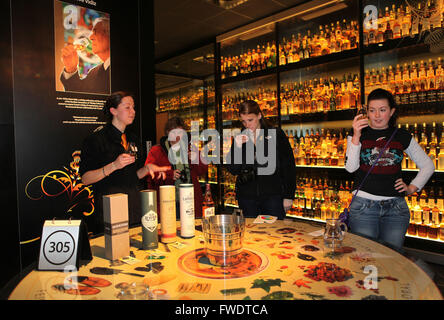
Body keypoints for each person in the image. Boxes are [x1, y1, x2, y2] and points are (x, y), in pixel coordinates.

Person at [345, 88, 435, 250]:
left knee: (393, 260)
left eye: (382, 110)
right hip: (364, 207)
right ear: (367, 112)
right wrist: (356, 135)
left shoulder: (401, 135)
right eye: (372, 110)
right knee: (366, 259)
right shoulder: (358, 134)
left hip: (396, 208)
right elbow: (351, 168)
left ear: (392, 111)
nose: (377, 115)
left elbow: (428, 165)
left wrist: (412, 188)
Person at [79, 91, 169, 234]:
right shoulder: (96, 139)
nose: (132, 111)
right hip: (111, 213)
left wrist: (147, 168)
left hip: (135, 211)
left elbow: (134, 175)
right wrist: (114, 165)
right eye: (127, 107)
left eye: (133, 107)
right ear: (113, 110)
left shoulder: (132, 139)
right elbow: (85, 179)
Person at [225, 100, 296, 219]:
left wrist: (288, 196)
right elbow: (233, 169)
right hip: (247, 198)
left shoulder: (276, 134)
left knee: (275, 234)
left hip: (272, 197)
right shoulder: (240, 138)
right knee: (250, 235)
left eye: (250, 120)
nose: (247, 125)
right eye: (243, 121)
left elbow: (288, 167)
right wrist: (236, 148)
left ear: (259, 115)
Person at [144, 117, 208, 219]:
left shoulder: (190, 148)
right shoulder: (156, 151)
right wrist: (170, 175)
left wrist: (197, 159)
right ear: (168, 132)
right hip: (167, 202)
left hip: (190, 200)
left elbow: (203, 170)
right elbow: (149, 175)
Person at [60, 17, 110, 94]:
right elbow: (77, 95)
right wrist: (71, 68)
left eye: (95, 32)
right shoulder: (93, 72)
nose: (90, 37)